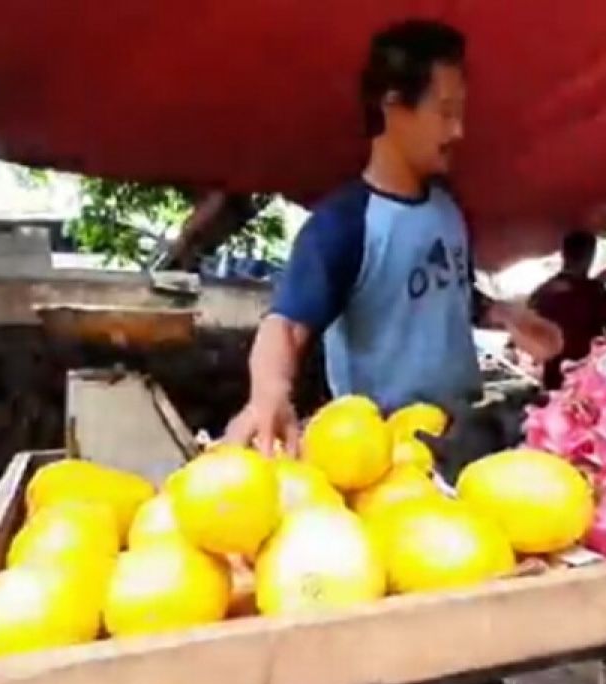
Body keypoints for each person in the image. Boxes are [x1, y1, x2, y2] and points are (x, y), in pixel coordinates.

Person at [225, 19, 561, 454]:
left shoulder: (447, 208)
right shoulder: (345, 223)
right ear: (393, 106)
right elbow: (287, 323)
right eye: (445, 112)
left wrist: (506, 316)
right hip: (384, 452)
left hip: (464, 435)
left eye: (460, 112)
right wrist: (268, 392)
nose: (457, 130)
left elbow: (444, 291)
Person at [527, 230, 606, 390]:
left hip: (553, 375)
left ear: (564, 255)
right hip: (587, 375)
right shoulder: (594, 290)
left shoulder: (543, 292)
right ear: (589, 255)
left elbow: (527, 330)